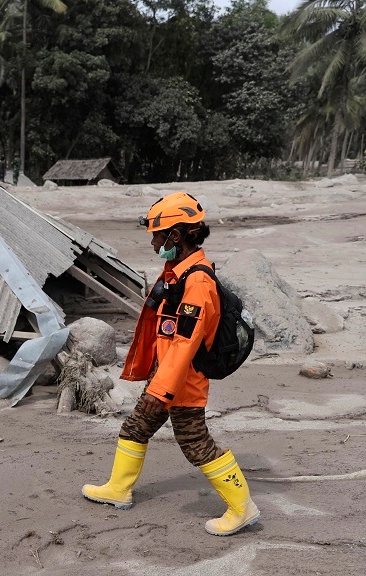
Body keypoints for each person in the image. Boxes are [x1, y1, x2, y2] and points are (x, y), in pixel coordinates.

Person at [81, 192, 260, 537]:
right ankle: (118, 489)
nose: (152, 242)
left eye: (156, 235)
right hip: (167, 377)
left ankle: (242, 508)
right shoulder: (178, 274)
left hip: (182, 382)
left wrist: (161, 391)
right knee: (135, 428)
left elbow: (184, 344)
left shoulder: (197, 283)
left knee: (195, 443)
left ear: (175, 236)